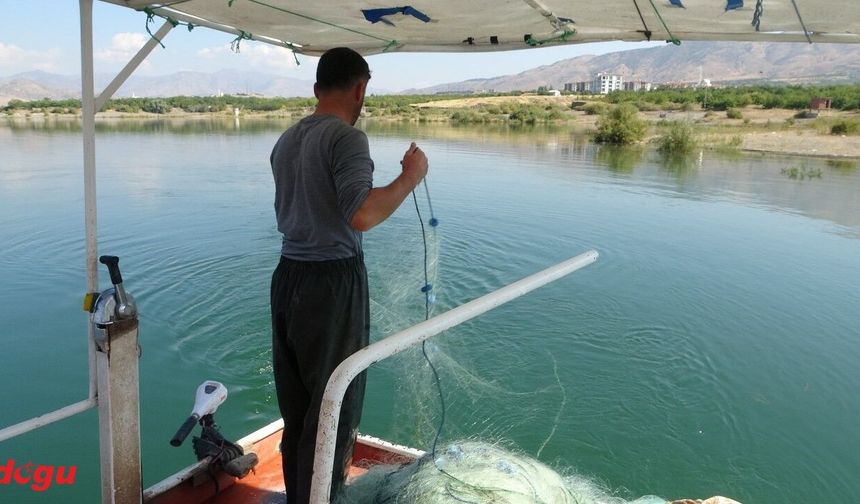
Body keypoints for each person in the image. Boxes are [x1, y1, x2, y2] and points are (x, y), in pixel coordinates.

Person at [269, 47, 429, 504]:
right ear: (360, 89)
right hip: (331, 284)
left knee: (299, 408)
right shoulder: (347, 138)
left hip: (287, 277)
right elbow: (362, 214)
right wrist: (410, 176)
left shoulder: (286, 140)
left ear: (317, 89)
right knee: (334, 407)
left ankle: (302, 496)